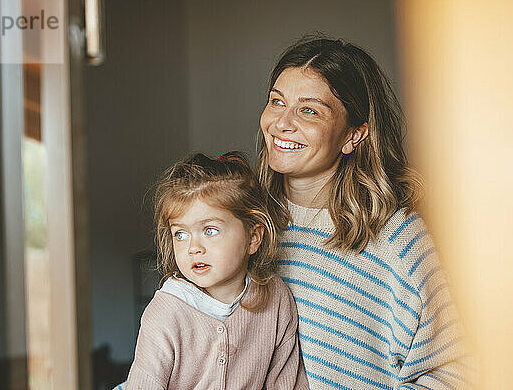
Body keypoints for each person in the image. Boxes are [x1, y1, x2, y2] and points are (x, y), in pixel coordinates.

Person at [258, 35, 473, 389]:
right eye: (276, 102)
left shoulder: (397, 239)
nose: (282, 122)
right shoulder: (247, 224)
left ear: (353, 136)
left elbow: (457, 373)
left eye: (309, 109)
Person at [123, 152, 309, 389]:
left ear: (253, 237)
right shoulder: (166, 312)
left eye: (210, 230)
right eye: (180, 234)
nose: (193, 248)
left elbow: (287, 381)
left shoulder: (277, 298)